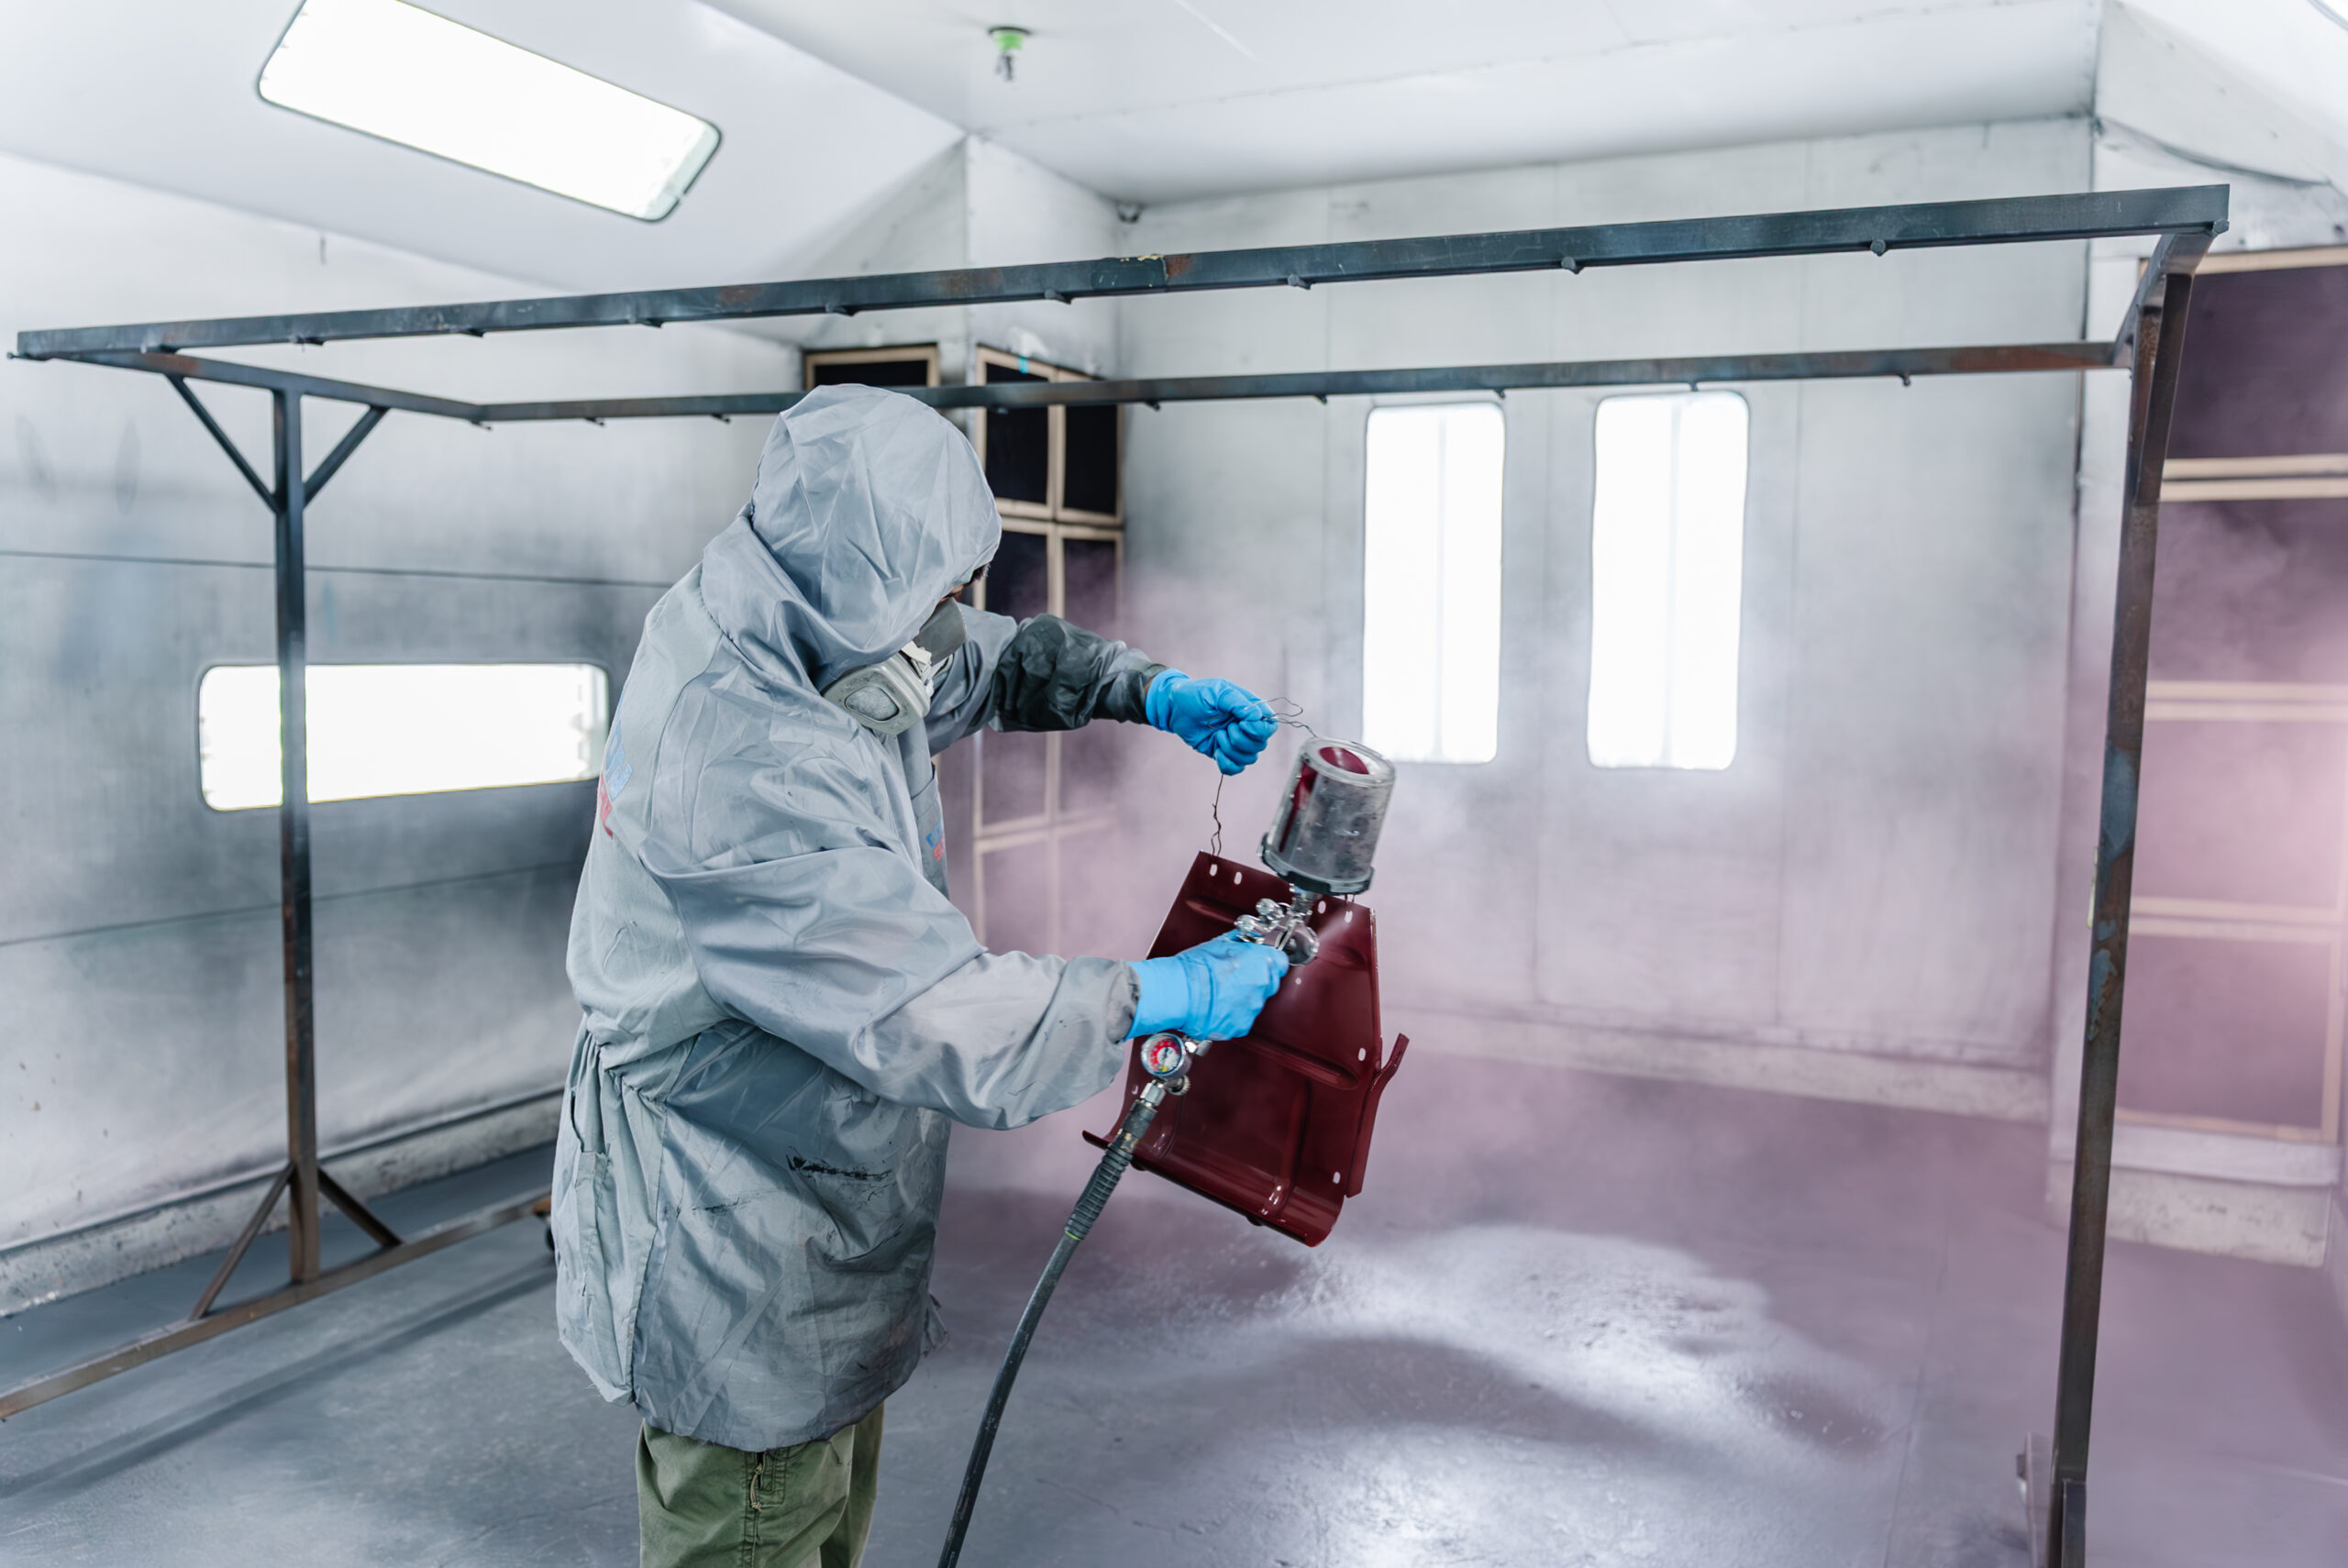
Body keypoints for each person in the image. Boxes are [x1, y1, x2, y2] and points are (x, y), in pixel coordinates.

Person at [551, 384, 1289, 1568]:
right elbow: (932, 1010)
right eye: (937, 585)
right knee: (758, 1509)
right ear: (864, 584)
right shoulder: (739, 764)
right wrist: (1154, 994)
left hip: (805, 1162)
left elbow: (958, 661)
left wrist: (1137, 686)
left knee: (821, 1498)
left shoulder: (794, 610)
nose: (953, 607)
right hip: (729, 1204)